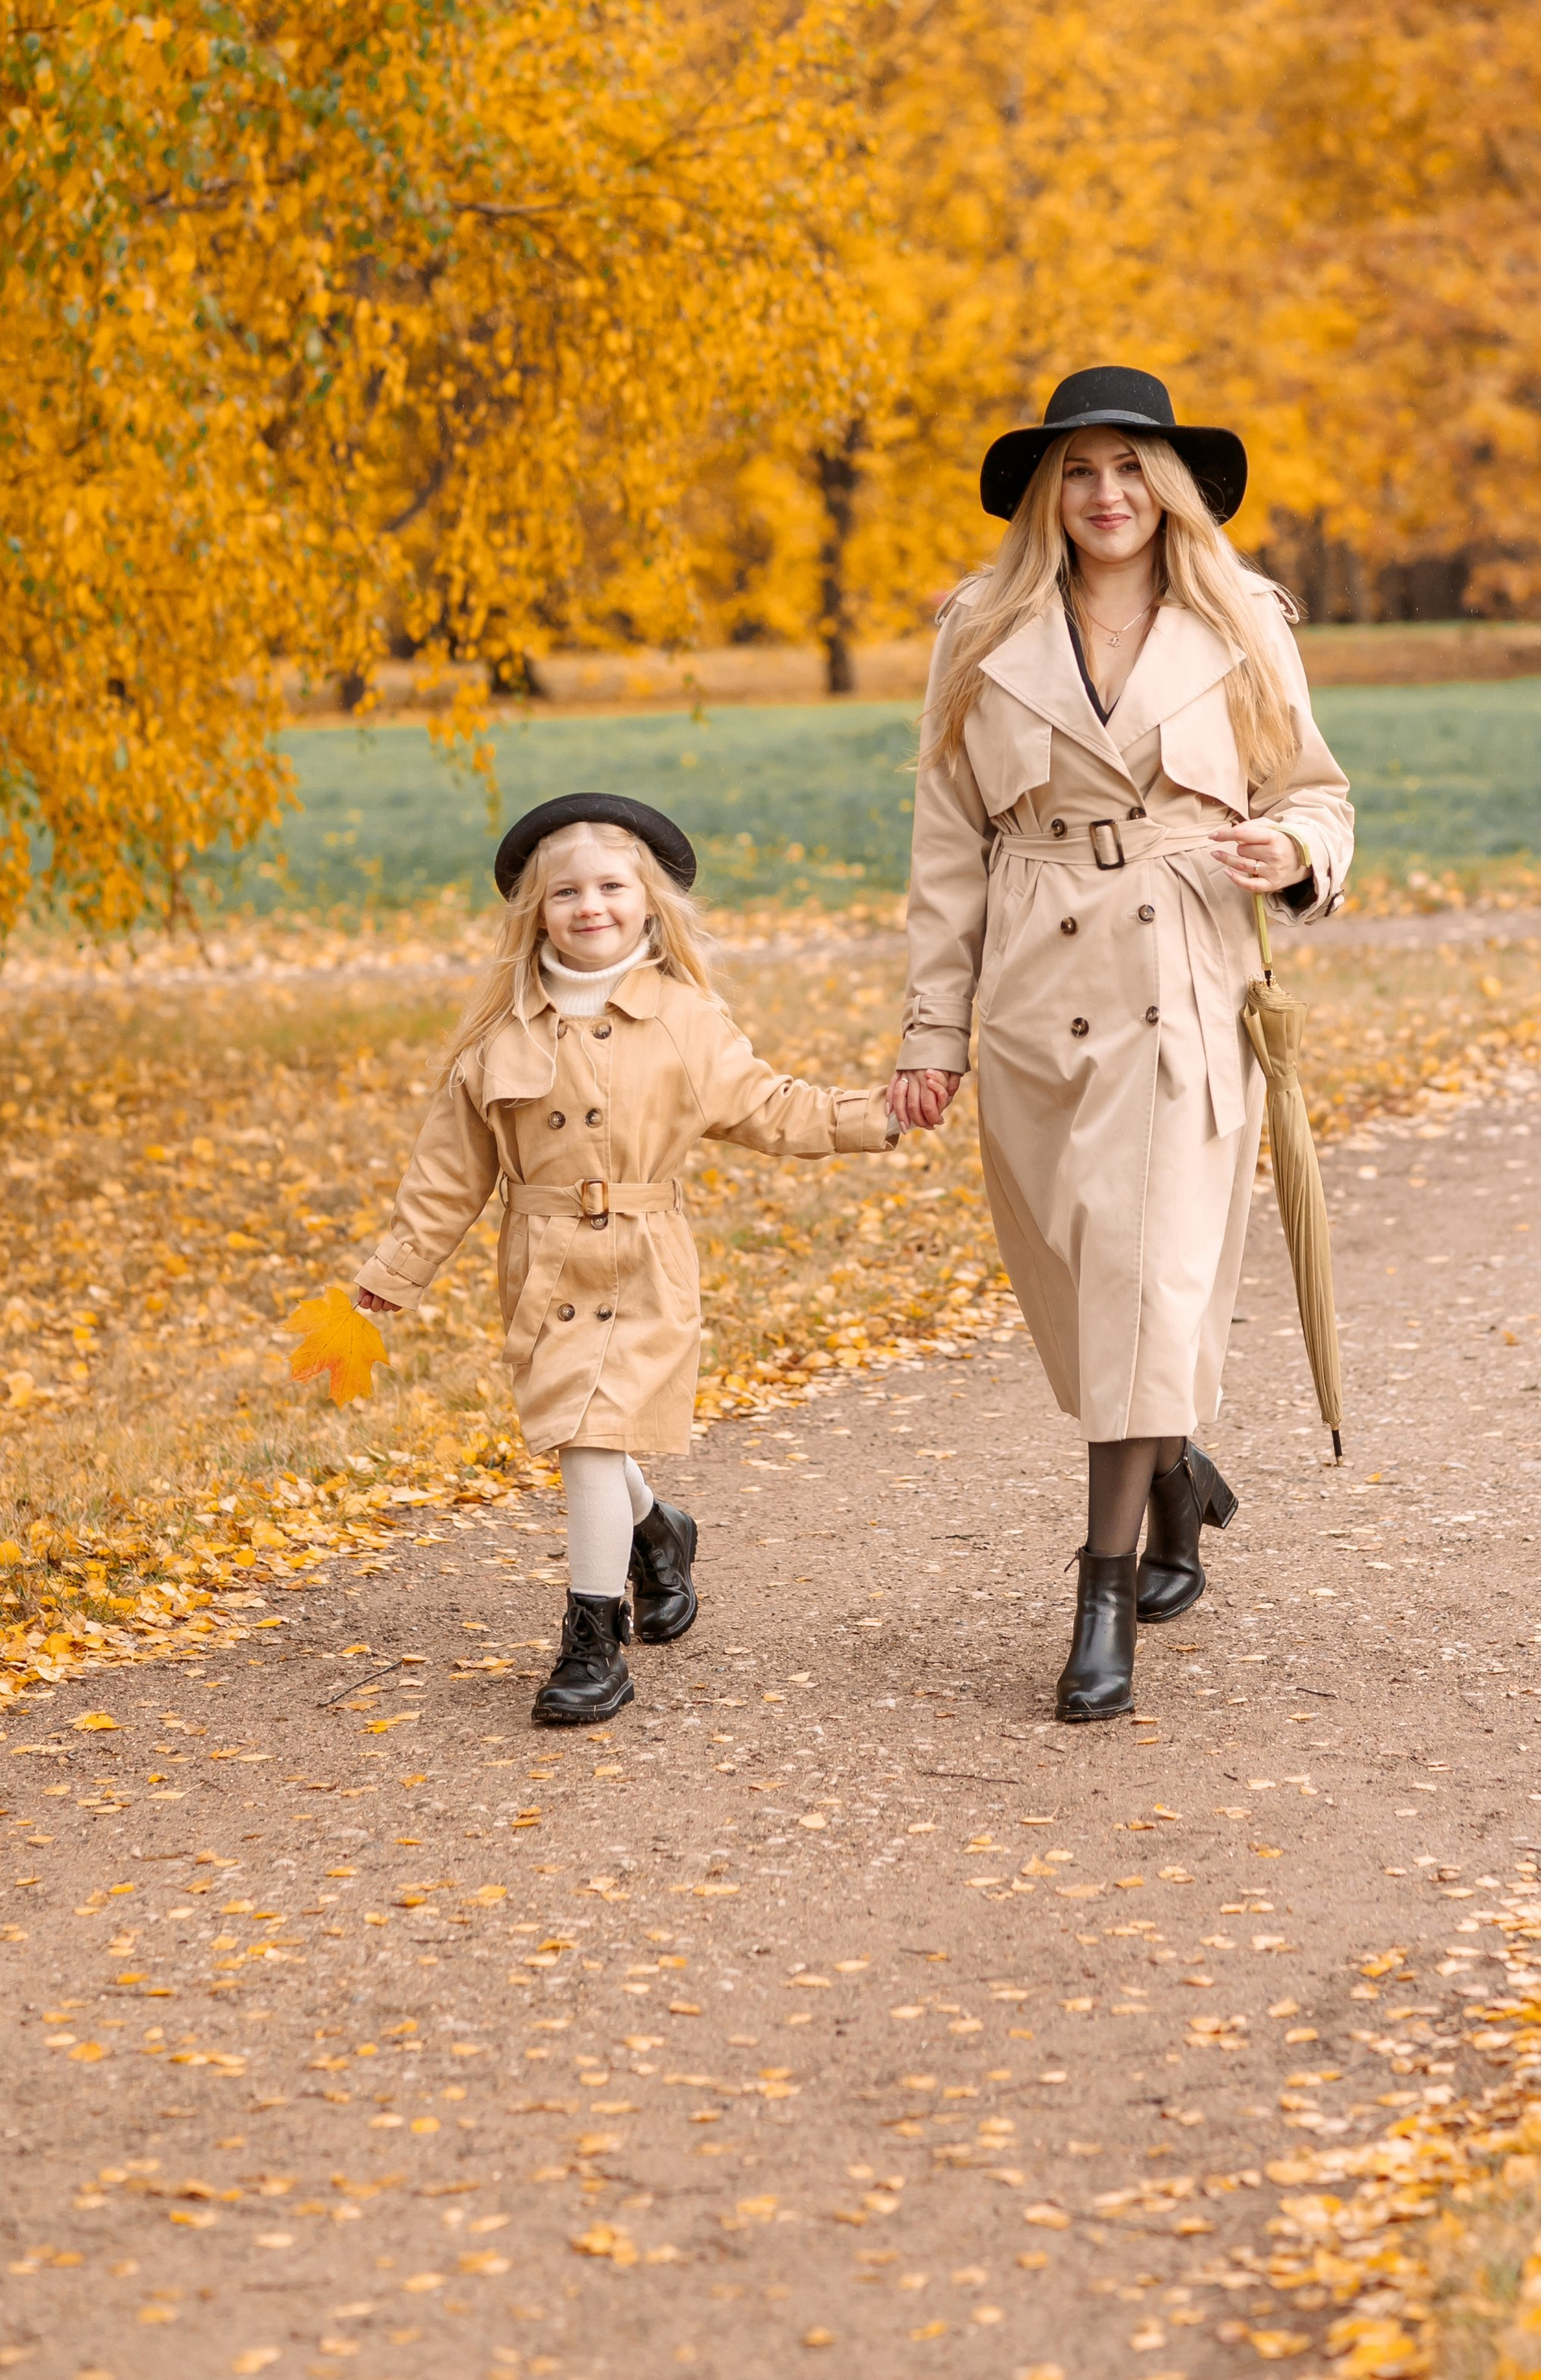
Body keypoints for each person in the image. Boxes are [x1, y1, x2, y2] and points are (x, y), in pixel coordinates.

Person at [887, 367, 1353, 1723]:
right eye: (1082, 470)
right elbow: (944, 841)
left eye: (1133, 469)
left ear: (1172, 490)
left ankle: (1101, 1601)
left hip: (1180, 968)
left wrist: (1293, 849)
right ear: (1049, 490)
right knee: (1087, 1279)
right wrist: (936, 1024)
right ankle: (1175, 1473)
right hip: (1038, 985)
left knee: (1145, 1272)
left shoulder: (1243, 620)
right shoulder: (978, 630)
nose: (1108, 495)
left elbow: (1318, 791)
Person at [355, 792, 901, 1727]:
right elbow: (449, 1174)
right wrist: (391, 1275)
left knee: (592, 1440)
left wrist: (881, 1113)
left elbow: (770, 1106)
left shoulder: (685, 1019)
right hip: (545, 1268)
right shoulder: (500, 1039)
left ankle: (592, 1641)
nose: (590, 906)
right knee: (585, 1435)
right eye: (565, 891)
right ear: (536, 909)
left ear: (648, 901)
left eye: (611, 886)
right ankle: (658, 1532)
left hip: (644, 1263)